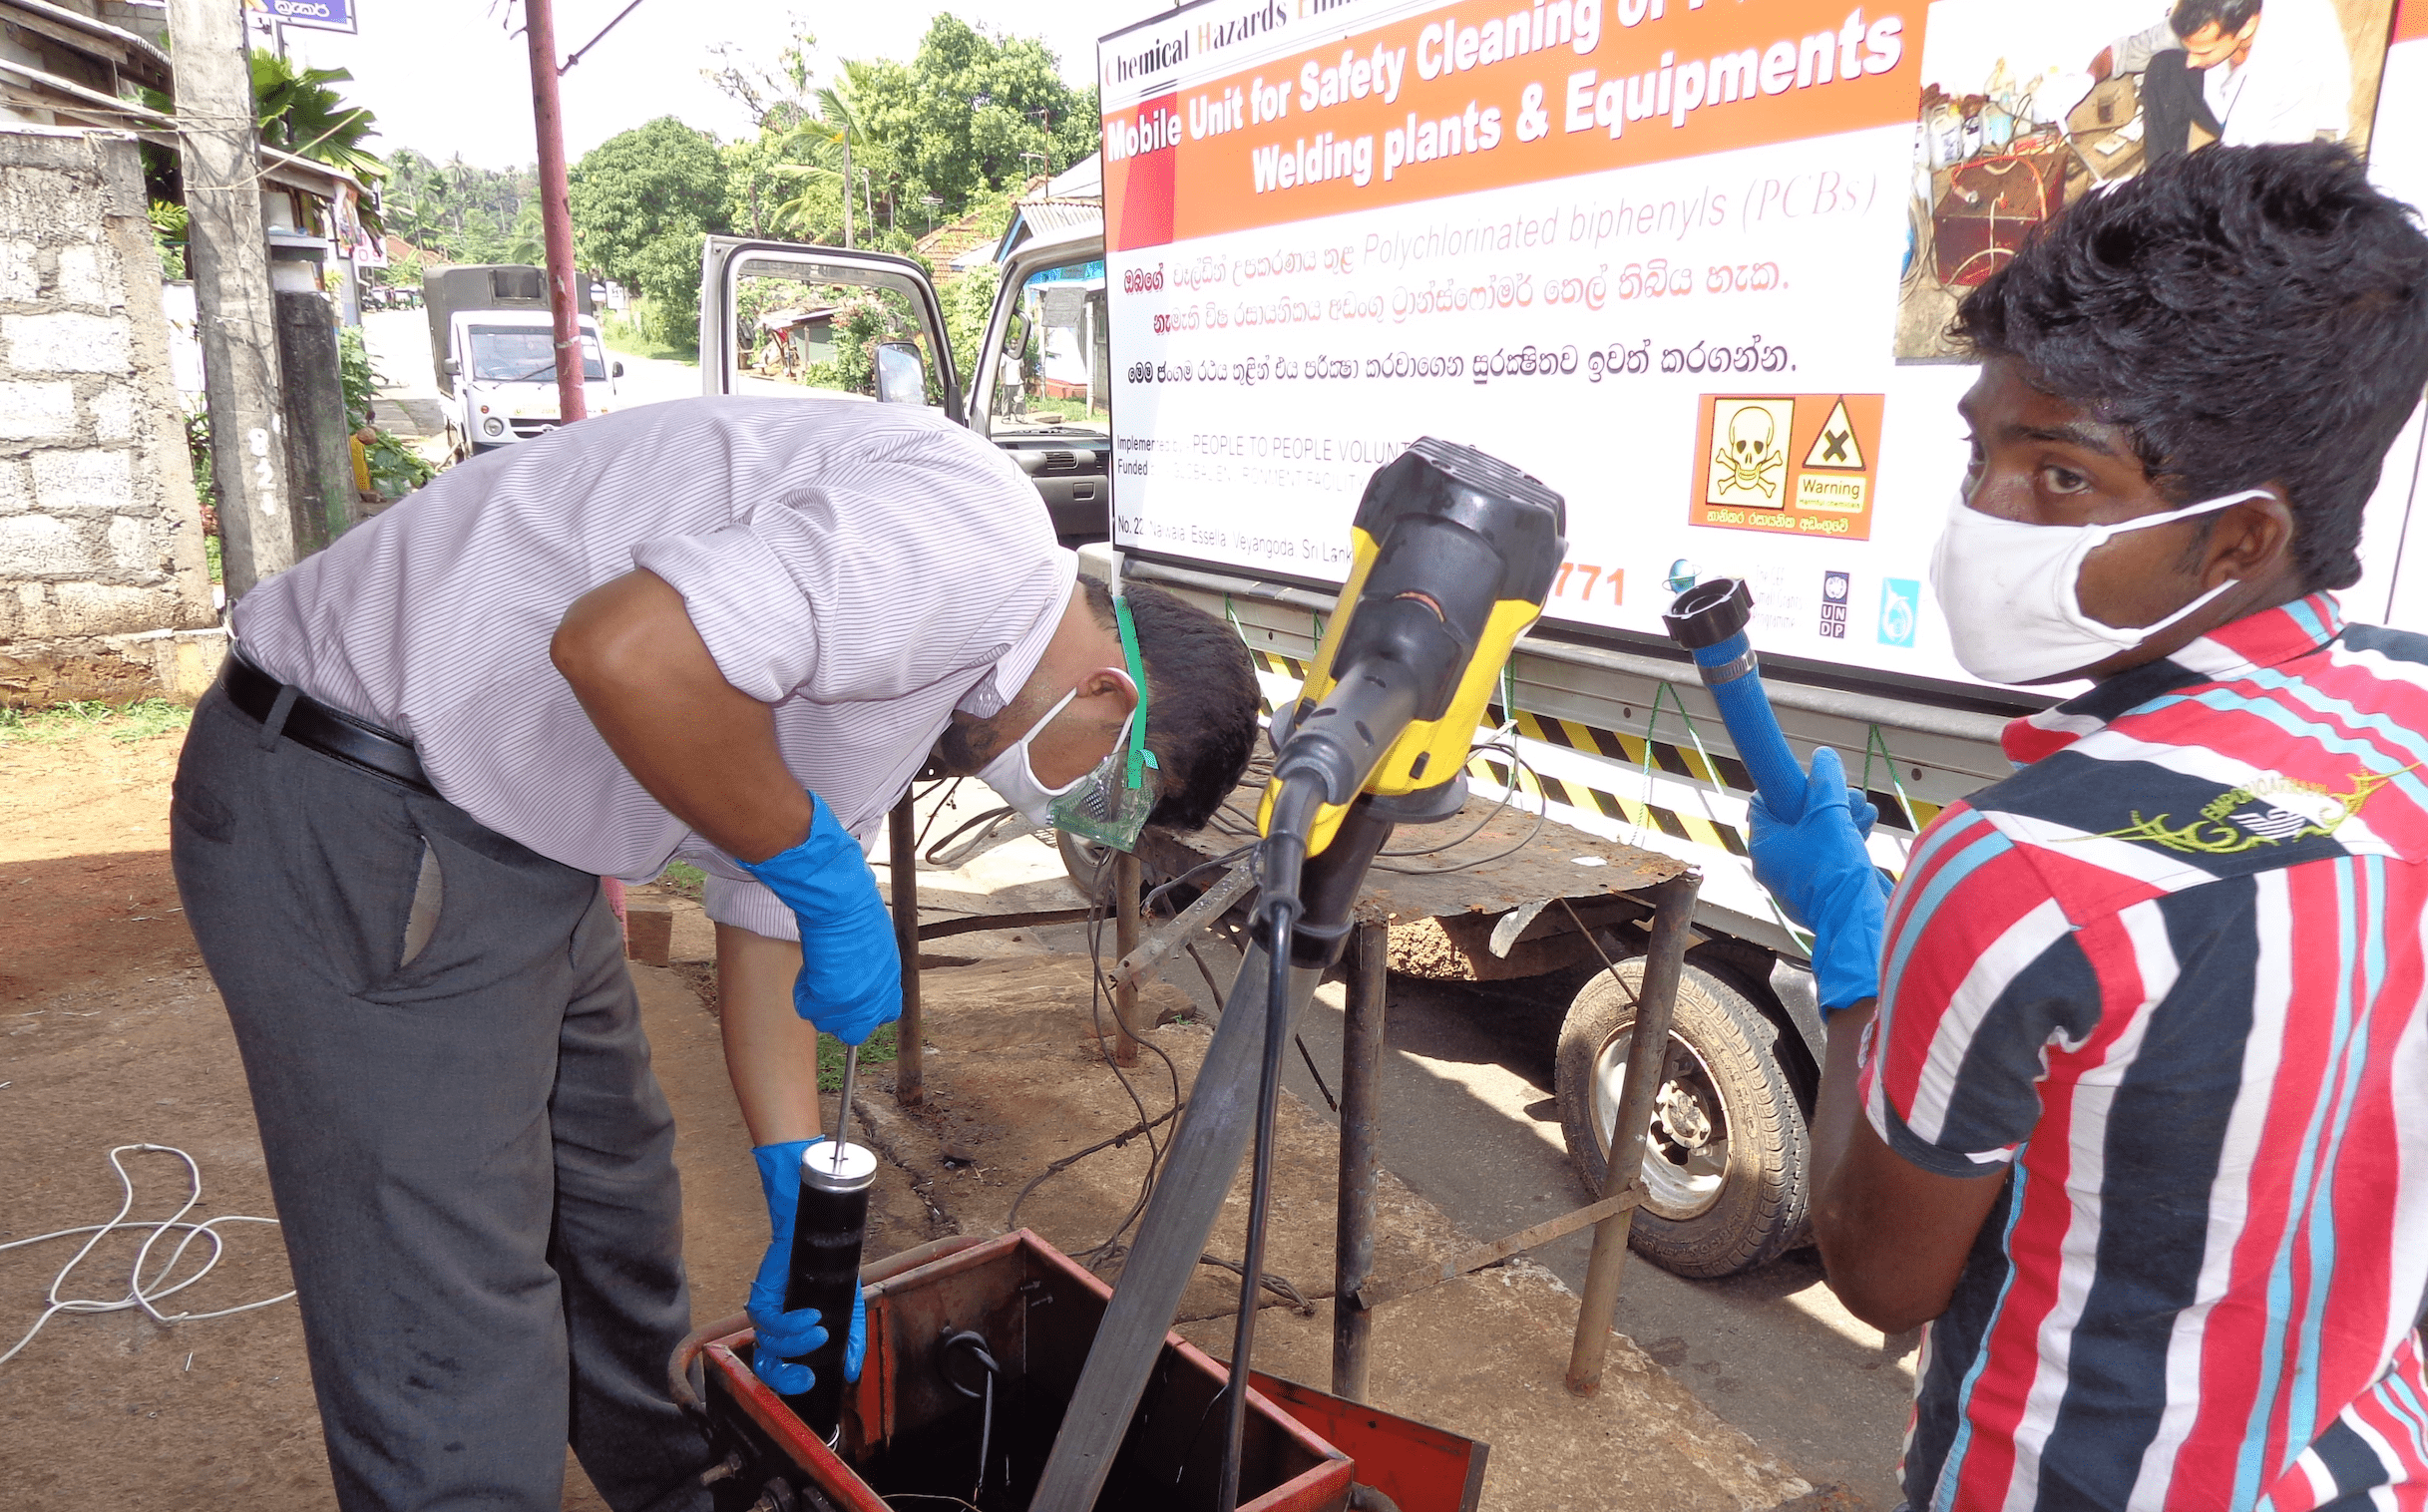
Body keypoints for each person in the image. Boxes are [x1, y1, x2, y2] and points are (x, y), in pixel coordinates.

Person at [168, 396, 1262, 1512]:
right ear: (1108, 693)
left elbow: (764, 897)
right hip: (366, 803)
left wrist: (791, 1182)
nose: (1064, 814)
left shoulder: (951, 669)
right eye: (1105, 791)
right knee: (447, 1303)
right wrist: (823, 870)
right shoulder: (976, 547)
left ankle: (678, 1495)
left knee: (614, 1205)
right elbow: (625, 647)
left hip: (515, 839)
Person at [1752, 143, 2428, 1509]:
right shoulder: (2407, 715)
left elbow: (1880, 1277)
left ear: (2237, 538)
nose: (1980, 520)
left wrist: (1852, 957)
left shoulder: (2021, 872)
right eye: (1980, 453)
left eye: (2061, 479)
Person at [2091, 0, 2353, 160]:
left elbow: (2245, 160)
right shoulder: (2209, 14)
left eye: (2203, 51)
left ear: (2247, 27)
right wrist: (2086, 78)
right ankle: (2161, 184)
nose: (2191, 61)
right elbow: (2127, 51)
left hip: (2300, 141)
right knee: (2165, 68)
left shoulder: (2288, 53)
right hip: (2237, 111)